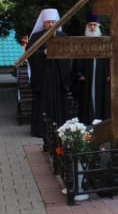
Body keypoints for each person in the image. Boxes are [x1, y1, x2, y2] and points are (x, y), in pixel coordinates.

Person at [27, 8, 72, 137]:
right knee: (43, 102)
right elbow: (30, 55)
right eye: (48, 22)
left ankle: (61, 128)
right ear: (44, 23)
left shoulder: (63, 37)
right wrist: (43, 54)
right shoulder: (36, 37)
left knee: (59, 101)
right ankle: (41, 130)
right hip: (43, 76)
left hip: (58, 76)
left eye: (53, 22)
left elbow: (69, 56)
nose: (51, 25)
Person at [72, 13, 110, 125]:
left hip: (101, 74)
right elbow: (77, 58)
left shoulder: (104, 40)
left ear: (98, 26)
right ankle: (88, 119)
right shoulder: (82, 41)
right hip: (87, 74)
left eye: (94, 25)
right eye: (90, 25)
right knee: (86, 97)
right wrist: (79, 74)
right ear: (87, 26)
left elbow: (110, 58)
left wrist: (109, 74)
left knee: (101, 96)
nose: (92, 27)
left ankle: (100, 118)